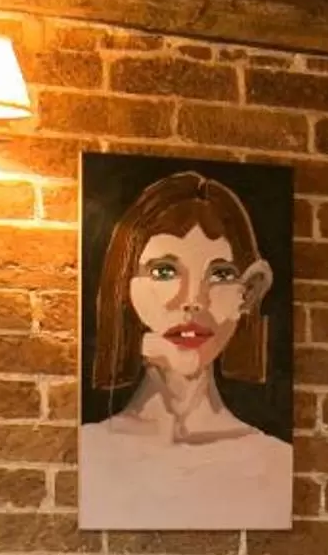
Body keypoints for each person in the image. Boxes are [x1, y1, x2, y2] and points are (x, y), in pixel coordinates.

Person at [78, 170, 293, 530]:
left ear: (248, 294)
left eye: (221, 274)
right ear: (125, 288)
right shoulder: (88, 451)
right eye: (164, 272)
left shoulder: (274, 460)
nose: (193, 300)